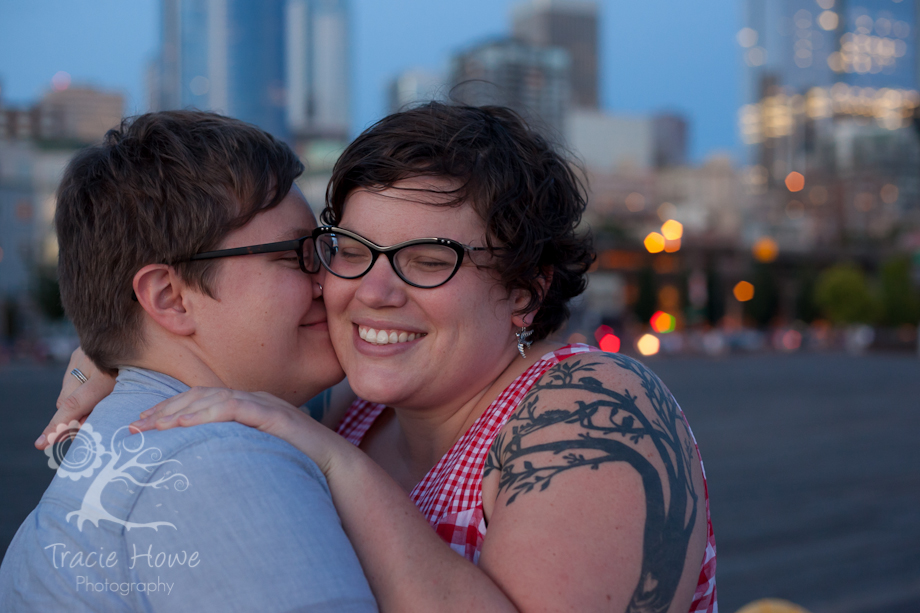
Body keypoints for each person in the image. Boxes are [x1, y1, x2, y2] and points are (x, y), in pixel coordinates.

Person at [47, 103, 717, 612]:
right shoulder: (355, 406)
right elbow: (201, 342)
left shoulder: (592, 407)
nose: (371, 292)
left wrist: (335, 462)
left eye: (428, 261)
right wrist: (103, 361)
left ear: (525, 289)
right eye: (348, 251)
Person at [1, 111, 376, 612]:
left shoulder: (133, 444)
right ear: (171, 298)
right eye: (296, 256)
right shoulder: (223, 468)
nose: (328, 280)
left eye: (328, 249)